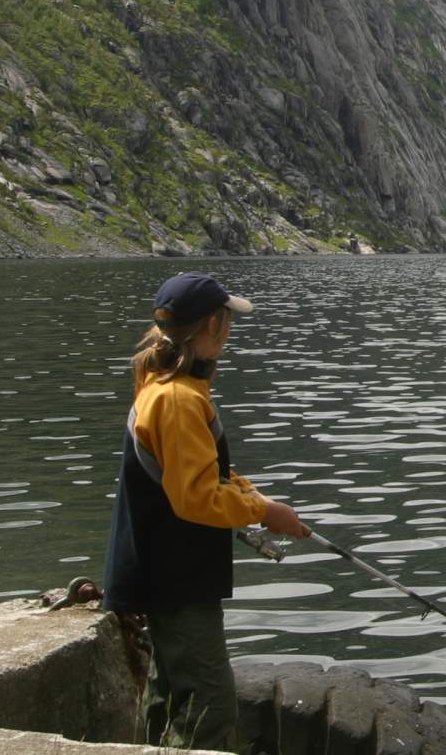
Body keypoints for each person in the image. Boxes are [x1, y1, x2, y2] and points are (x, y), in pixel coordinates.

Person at [103, 272, 310, 751]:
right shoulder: (177, 399)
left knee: (169, 697)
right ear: (214, 325)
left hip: (162, 575)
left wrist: (256, 499)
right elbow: (194, 497)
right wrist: (262, 511)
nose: (231, 329)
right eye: (228, 320)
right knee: (210, 708)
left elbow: (198, 475)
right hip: (176, 579)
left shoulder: (167, 386)